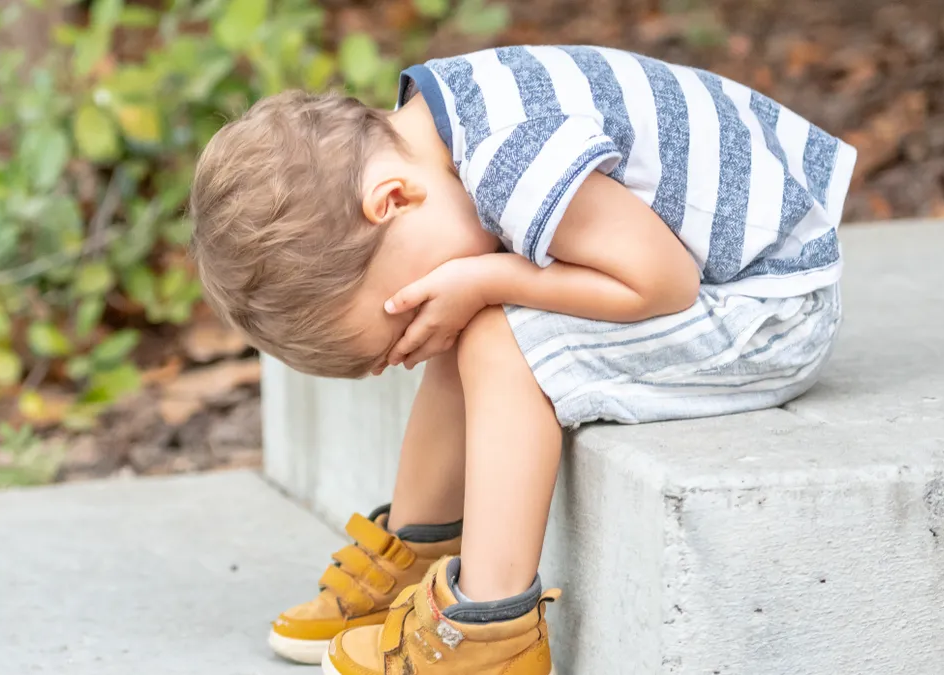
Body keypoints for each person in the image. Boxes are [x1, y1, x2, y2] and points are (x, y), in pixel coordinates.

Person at [189, 45, 855, 675]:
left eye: (400, 311)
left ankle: (488, 630)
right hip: (710, 278)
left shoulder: (512, 157)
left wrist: (485, 281)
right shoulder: (438, 123)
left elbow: (663, 281)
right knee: (466, 300)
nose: (413, 327)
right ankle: (419, 548)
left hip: (768, 310)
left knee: (492, 327)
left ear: (391, 199)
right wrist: (473, 284)